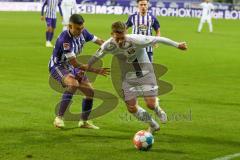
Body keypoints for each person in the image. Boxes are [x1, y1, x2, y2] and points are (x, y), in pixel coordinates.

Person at [88, 21, 187, 134]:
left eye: (122, 37)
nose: (120, 41)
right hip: (127, 77)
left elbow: (158, 39)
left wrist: (177, 45)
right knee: (131, 107)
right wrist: (86, 67)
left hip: (145, 73)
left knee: (150, 104)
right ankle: (153, 125)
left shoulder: (136, 39)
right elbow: (97, 56)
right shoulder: (108, 45)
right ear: (112, 34)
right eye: (117, 38)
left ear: (126, 32)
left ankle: (157, 108)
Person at [49, 14, 108, 129]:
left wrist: (113, 45)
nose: (80, 31)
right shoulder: (65, 40)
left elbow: (100, 41)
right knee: (73, 84)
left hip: (71, 65)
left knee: (90, 92)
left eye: (82, 28)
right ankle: (59, 118)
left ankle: (84, 122)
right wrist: (96, 70)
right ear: (70, 26)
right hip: (58, 65)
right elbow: (75, 64)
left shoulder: (83, 32)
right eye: (77, 29)